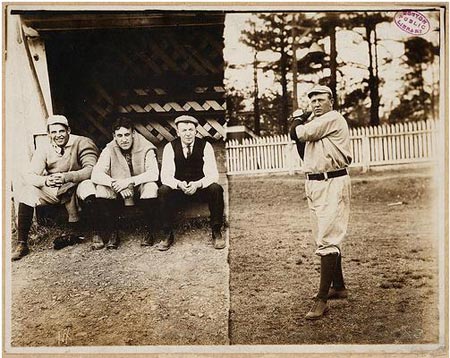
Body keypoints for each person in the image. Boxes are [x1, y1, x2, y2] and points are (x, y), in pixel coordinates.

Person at [290, 85, 352, 320]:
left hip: (332, 182)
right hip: (315, 183)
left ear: (331, 102)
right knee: (324, 235)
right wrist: (299, 123)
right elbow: (301, 147)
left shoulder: (333, 118)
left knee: (328, 238)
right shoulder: (317, 126)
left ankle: (321, 300)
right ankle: (339, 286)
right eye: (312, 100)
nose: (315, 104)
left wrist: (297, 118)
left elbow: (298, 132)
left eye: (320, 100)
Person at [12, 115, 99, 261]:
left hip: (77, 184)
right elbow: (30, 175)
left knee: (89, 187)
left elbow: (91, 169)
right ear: (49, 134)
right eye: (53, 132)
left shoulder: (82, 142)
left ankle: (98, 232)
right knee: (27, 191)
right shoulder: (44, 148)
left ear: (68, 130)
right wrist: (46, 180)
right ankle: (22, 244)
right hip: (57, 189)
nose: (58, 135)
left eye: (61, 131)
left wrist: (67, 177)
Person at [158, 115, 225, 251]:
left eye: (190, 129)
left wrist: (197, 184)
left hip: (200, 190)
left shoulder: (205, 146)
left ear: (196, 131)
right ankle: (167, 234)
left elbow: (213, 175)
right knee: (163, 190)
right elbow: (165, 176)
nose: (188, 133)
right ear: (177, 132)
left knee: (216, 188)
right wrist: (179, 184)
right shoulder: (170, 147)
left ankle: (216, 231)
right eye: (184, 130)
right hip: (179, 191)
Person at [90, 117, 159, 249]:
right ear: (114, 136)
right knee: (101, 188)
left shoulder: (146, 147)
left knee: (151, 187)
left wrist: (129, 182)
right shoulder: (109, 149)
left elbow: (154, 173)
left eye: (127, 135)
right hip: (119, 190)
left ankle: (148, 231)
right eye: (120, 136)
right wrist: (115, 183)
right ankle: (113, 232)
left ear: (133, 134)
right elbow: (96, 174)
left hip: (139, 187)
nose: (124, 139)